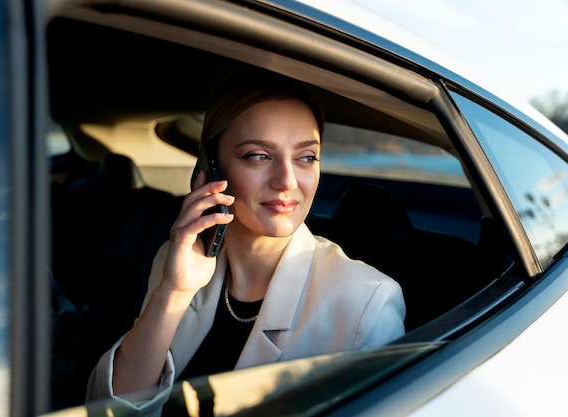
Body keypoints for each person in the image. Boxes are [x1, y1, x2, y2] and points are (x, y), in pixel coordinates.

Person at [86, 67, 406, 412]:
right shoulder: (176, 261)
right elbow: (109, 409)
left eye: (306, 157)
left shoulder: (366, 305)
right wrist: (174, 292)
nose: (287, 180)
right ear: (212, 168)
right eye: (259, 156)